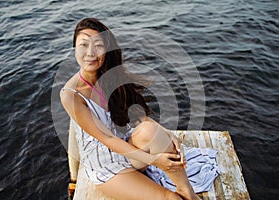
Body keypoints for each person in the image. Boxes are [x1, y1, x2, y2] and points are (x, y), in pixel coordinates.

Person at [60, 17, 202, 200]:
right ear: (75, 48)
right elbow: (107, 138)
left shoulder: (109, 75)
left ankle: (188, 192)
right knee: (171, 199)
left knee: (149, 129)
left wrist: (167, 133)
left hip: (127, 146)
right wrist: (154, 160)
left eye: (98, 45)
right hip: (105, 165)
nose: (90, 53)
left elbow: (137, 116)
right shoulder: (71, 95)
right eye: (83, 45)